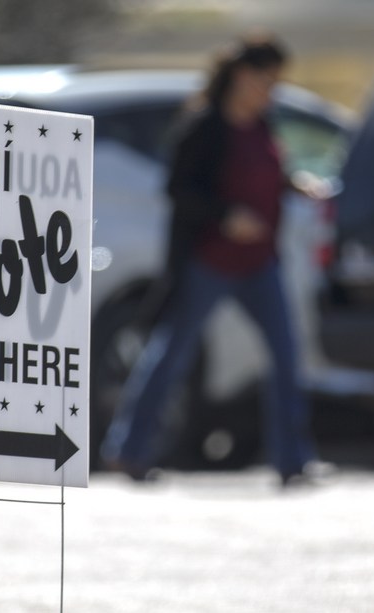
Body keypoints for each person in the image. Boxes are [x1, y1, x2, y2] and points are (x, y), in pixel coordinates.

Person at [100, 32, 320, 485]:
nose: (271, 89)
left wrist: (291, 185)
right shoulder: (205, 126)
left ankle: (292, 460)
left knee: (285, 354)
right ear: (241, 75)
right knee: (171, 355)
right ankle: (130, 450)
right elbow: (179, 189)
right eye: (266, 78)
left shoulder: (262, 124)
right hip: (208, 262)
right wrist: (225, 216)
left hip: (259, 263)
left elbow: (262, 174)